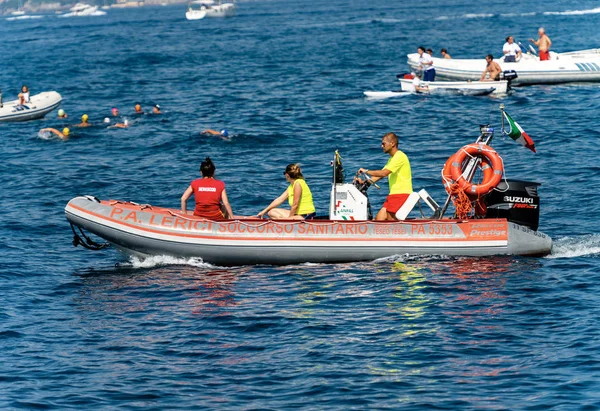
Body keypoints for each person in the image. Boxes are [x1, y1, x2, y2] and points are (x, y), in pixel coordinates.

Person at [357, 132, 413, 221]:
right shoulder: (392, 159)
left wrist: (366, 171)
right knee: (379, 219)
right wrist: (364, 182)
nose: (382, 146)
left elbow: (384, 173)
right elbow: (379, 176)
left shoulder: (400, 156)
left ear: (392, 144)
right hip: (393, 195)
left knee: (391, 221)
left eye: (383, 144)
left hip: (401, 194)